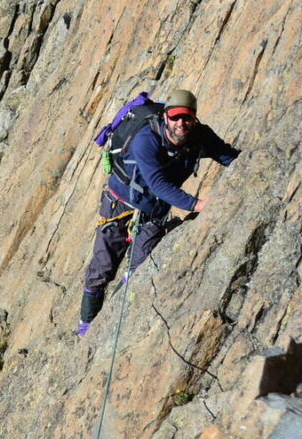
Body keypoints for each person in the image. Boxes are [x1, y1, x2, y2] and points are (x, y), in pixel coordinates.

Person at [77, 88, 239, 335]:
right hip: (120, 205)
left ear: (194, 118)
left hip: (154, 211)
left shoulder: (200, 136)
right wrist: (196, 205)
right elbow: (158, 184)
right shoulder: (146, 140)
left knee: (138, 270)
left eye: (187, 117)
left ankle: (106, 322)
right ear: (165, 117)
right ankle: (86, 326)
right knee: (102, 269)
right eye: (175, 117)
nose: (181, 123)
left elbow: (228, 156)